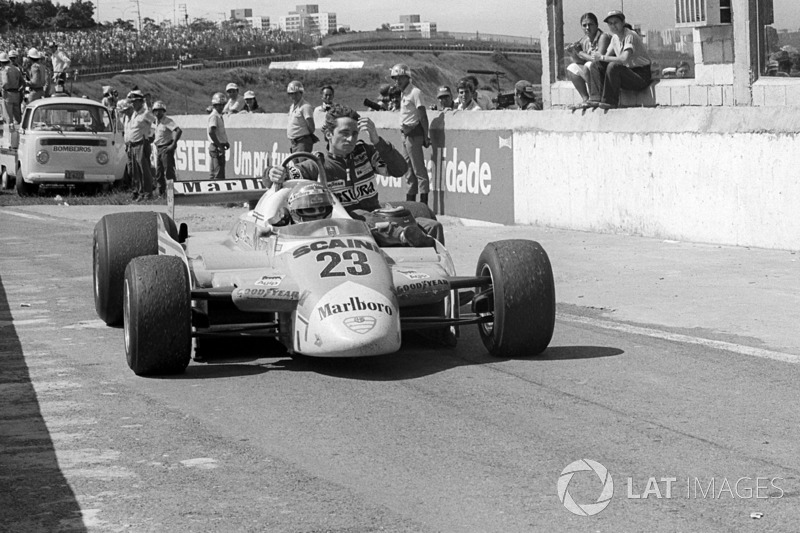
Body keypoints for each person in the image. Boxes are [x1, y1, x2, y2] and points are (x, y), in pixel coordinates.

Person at [266, 104, 443, 245]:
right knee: (360, 214)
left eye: (354, 133)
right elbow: (274, 179)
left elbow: (400, 170)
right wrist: (272, 173)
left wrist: (376, 140)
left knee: (433, 226)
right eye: (344, 133)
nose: (350, 139)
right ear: (328, 134)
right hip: (345, 229)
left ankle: (446, 285)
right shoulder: (316, 164)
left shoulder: (365, 153)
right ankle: (403, 235)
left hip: (378, 218)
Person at [582, 10, 653, 110]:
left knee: (613, 66)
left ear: (623, 23)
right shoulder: (615, 38)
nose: (613, 26)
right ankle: (595, 98)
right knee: (596, 65)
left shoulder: (629, 35)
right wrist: (597, 58)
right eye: (610, 24)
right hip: (628, 73)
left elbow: (624, 59)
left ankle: (610, 102)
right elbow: (604, 59)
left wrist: (602, 57)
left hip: (640, 76)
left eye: (616, 22)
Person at [390, 63, 431, 205]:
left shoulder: (415, 92)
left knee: (419, 171)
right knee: (408, 172)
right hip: (405, 135)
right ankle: (411, 205)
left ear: (407, 77)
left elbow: (423, 115)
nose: (397, 81)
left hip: (414, 135)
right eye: (395, 78)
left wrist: (426, 136)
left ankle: (423, 205)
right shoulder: (403, 93)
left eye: (400, 78)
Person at [566, 12, 610, 106]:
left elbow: (598, 60)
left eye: (590, 24)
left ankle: (595, 97)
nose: (587, 28)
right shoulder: (585, 41)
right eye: (584, 25)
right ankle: (586, 99)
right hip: (592, 73)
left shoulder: (603, 37)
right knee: (572, 68)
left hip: (604, 73)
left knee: (589, 65)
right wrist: (573, 54)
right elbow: (581, 61)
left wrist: (581, 52)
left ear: (596, 25)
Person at [124, 90, 156, 201]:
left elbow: (155, 123)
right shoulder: (134, 114)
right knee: (136, 172)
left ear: (140, 102)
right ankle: (141, 192)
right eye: (132, 102)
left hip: (141, 143)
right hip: (133, 145)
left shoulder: (145, 113)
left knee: (144, 170)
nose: (132, 104)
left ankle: (148, 193)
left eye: (135, 102)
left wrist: (150, 136)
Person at [152, 100, 183, 195]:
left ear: (163, 111)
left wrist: (173, 144)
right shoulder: (156, 122)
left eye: (160, 110)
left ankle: (173, 192)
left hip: (166, 147)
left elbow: (178, 130)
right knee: (159, 172)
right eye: (155, 110)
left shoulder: (167, 121)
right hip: (158, 148)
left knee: (169, 171)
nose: (157, 112)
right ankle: (162, 193)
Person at [286, 79, 317, 153]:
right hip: (294, 143)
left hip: (302, 142)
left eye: (296, 93)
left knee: (303, 163)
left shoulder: (305, 106)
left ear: (301, 93)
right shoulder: (292, 107)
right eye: (291, 94)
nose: (293, 96)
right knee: (296, 164)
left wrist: (304, 137)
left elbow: (311, 126)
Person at [207, 92, 230, 180]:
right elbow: (211, 132)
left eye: (222, 105)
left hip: (217, 146)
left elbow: (218, 132)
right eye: (219, 105)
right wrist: (220, 146)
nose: (221, 107)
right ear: (214, 105)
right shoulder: (214, 116)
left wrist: (225, 142)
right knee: (218, 175)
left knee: (215, 174)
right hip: (216, 147)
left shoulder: (218, 116)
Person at [0, 52, 23, 124]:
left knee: (9, 117)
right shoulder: (16, 69)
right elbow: (22, 81)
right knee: (17, 117)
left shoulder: (4, 70)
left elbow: (5, 82)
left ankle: (10, 133)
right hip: (16, 93)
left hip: (8, 94)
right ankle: (19, 133)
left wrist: (2, 88)